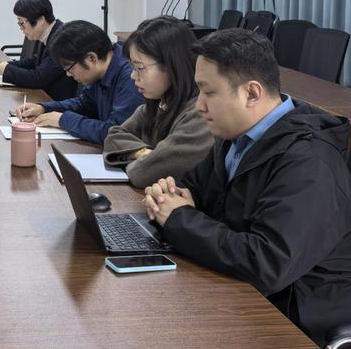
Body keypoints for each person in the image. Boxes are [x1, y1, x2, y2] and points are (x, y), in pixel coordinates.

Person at [142, 29, 351, 345]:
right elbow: (194, 188)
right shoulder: (236, 137)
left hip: (291, 317)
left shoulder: (309, 163)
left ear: (251, 93)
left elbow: (267, 263)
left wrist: (178, 217)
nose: (199, 106)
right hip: (237, 291)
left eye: (208, 93)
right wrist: (170, 195)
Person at [102, 16, 212, 187]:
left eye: (140, 68)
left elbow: (142, 174)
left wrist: (135, 157)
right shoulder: (157, 104)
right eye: (132, 67)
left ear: (172, 65)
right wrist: (143, 153)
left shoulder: (200, 114)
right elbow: (113, 136)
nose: (133, 76)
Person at [16, 20, 143, 144]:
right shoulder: (101, 71)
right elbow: (84, 104)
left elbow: (115, 134)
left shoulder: (131, 78)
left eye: (69, 68)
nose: (68, 74)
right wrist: (44, 108)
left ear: (91, 58)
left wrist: (63, 120)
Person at [0, 0, 77, 100]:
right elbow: (33, 63)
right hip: (44, 96)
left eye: (21, 23)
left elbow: (37, 79)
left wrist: (0, 67)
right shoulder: (50, 32)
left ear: (41, 20)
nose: (20, 28)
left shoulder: (62, 40)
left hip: (55, 102)